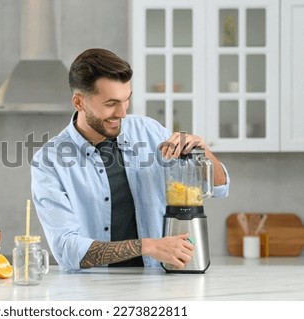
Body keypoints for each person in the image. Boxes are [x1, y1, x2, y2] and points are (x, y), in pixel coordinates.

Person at [30, 48, 230, 271]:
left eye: (126, 101)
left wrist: (202, 151)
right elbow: (66, 249)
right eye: (111, 104)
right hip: (90, 291)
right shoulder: (49, 162)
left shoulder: (149, 131)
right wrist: (147, 247)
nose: (123, 113)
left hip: (159, 282)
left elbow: (218, 187)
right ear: (79, 103)